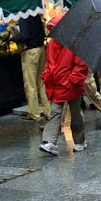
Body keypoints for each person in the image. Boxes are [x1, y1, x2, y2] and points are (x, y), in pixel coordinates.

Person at [39, 14, 89, 156]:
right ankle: (50, 141)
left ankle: (78, 141)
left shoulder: (74, 44)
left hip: (69, 85)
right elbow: (49, 63)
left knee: (75, 114)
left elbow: (81, 66)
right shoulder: (53, 44)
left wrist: (70, 80)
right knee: (57, 112)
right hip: (59, 85)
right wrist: (47, 75)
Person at [13, 14, 51, 123]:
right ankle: (48, 111)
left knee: (30, 84)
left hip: (30, 52)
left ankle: (34, 114)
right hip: (41, 49)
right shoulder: (36, 16)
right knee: (41, 83)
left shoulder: (24, 17)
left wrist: (13, 37)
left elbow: (24, 36)